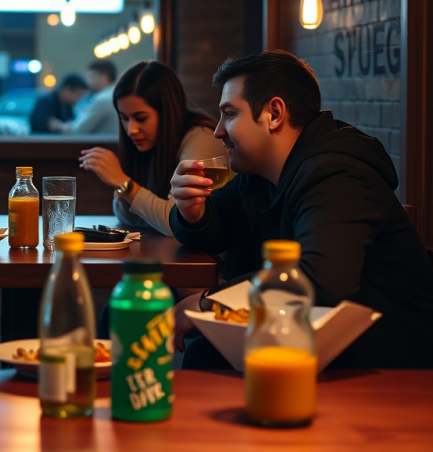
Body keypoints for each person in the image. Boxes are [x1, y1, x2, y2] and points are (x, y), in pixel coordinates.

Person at [169, 50, 433, 370]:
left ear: (274, 113)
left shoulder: (336, 175)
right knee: (203, 356)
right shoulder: (262, 175)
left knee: (204, 360)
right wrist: (190, 210)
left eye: (230, 114)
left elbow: (320, 280)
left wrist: (207, 302)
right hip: (316, 345)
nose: (218, 131)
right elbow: (216, 226)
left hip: (390, 366)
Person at [79, 61, 223, 236]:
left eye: (140, 118)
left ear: (167, 111)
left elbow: (177, 224)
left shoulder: (201, 138)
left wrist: (124, 183)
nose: (131, 129)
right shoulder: (149, 144)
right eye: (124, 118)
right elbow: (129, 218)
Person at [48, 60, 118, 135]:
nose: (89, 82)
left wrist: (60, 126)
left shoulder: (102, 99)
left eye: (92, 77)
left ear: (105, 77)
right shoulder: (115, 94)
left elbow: (79, 130)